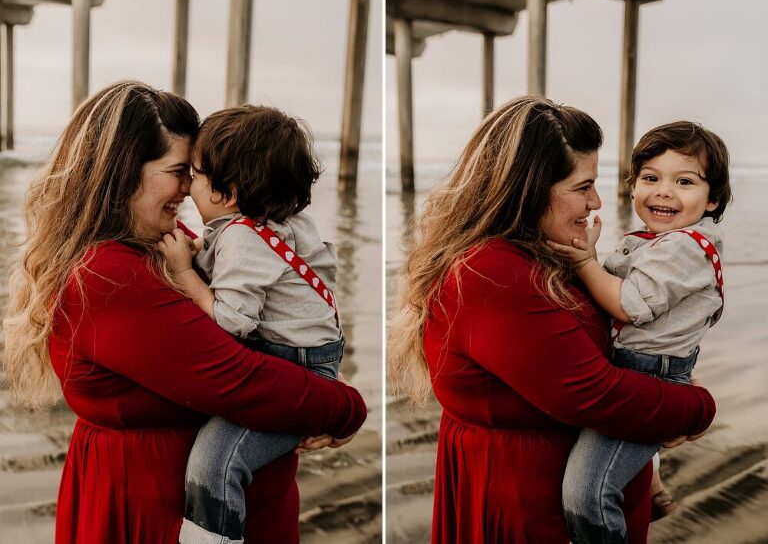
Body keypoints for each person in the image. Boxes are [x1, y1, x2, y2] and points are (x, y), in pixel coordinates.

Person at [2, 81, 367, 544]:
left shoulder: (163, 243)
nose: (190, 188)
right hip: (154, 509)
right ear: (123, 173)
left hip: (216, 502)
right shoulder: (108, 276)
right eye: (180, 171)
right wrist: (344, 407)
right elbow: (237, 379)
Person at [388, 96, 717, 543]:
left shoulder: (540, 251)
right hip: (531, 509)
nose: (596, 201)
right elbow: (594, 395)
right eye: (583, 187)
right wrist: (695, 408)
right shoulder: (493, 273)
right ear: (529, 188)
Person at [157, 105, 346, 543]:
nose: (187, 187)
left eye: (195, 175)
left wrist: (183, 272)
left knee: (214, 464)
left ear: (228, 193)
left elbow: (230, 321)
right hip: (313, 357)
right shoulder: (281, 224)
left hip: (295, 366)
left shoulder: (243, 238)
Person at [549, 121, 731, 543]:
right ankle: (651, 483)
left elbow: (629, 305)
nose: (664, 191)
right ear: (632, 187)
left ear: (713, 199)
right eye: (650, 178)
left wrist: (584, 263)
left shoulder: (685, 247)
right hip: (639, 366)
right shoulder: (656, 242)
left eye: (684, 181)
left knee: (586, 493)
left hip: (650, 373)